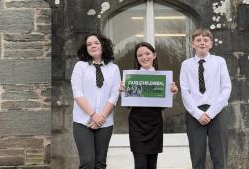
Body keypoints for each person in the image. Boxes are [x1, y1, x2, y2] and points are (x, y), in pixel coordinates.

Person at [120, 42, 178, 169]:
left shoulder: (164, 79)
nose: (144, 57)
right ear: (137, 58)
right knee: (140, 165)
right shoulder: (130, 78)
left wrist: (172, 94)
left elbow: (164, 106)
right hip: (137, 124)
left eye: (147, 53)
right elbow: (127, 106)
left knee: (152, 165)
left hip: (155, 124)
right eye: (139, 55)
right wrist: (123, 93)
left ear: (154, 55)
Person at [180, 28, 231, 169]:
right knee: (197, 155)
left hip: (217, 111)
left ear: (211, 44)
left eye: (205, 40)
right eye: (198, 40)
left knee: (219, 154)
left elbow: (226, 88)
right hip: (194, 113)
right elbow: (185, 91)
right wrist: (198, 114)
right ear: (193, 44)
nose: (202, 43)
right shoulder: (186, 65)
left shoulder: (219, 62)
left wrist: (210, 113)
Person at [71, 33, 120, 169]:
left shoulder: (113, 68)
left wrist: (102, 116)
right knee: (87, 162)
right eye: (89, 44)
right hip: (83, 121)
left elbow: (114, 94)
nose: (93, 45)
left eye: (96, 43)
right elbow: (77, 93)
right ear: (85, 48)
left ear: (103, 45)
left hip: (105, 122)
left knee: (100, 163)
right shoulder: (80, 66)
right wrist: (94, 115)